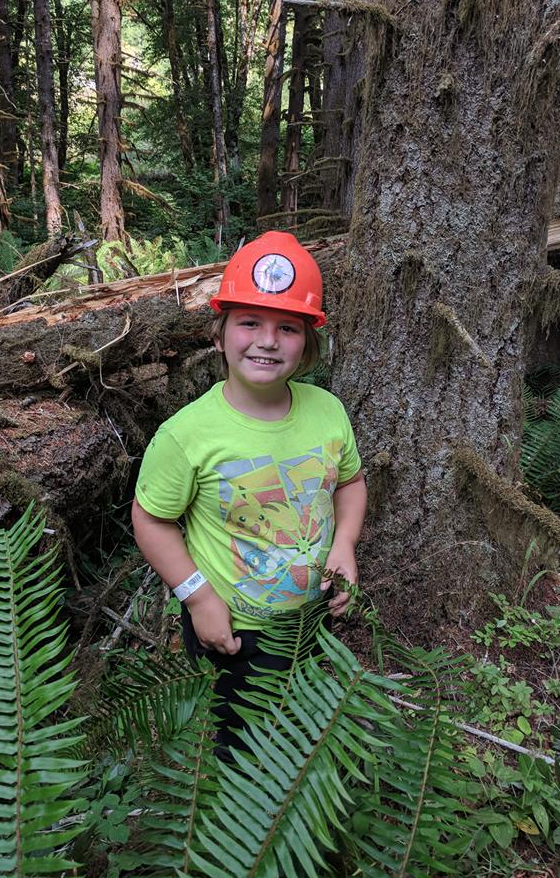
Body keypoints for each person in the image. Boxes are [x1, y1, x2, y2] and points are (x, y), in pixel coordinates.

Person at [131, 230, 367, 755]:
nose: (268, 340)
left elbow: (350, 482)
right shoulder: (187, 435)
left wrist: (344, 544)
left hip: (312, 617)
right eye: (250, 322)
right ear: (219, 335)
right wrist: (198, 598)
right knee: (241, 746)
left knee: (296, 722)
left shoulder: (328, 412)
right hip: (234, 630)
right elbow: (150, 520)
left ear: (308, 343)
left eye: (288, 327)